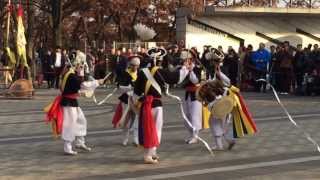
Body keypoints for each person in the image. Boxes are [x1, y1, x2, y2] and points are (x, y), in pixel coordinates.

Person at [133, 47, 190, 164]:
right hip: (157, 105)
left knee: (147, 128)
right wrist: (185, 68)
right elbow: (176, 78)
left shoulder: (142, 72)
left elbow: (136, 92)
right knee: (155, 129)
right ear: (160, 60)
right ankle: (149, 155)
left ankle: (152, 153)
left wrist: (137, 103)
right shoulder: (161, 72)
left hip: (145, 104)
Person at [45, 64, 105, 155]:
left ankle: (80, 142)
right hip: (69, 103)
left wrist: (82, 92)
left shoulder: (70, 75)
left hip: (72, 102)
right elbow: (83, 85)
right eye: (80, 66)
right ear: (74, 66)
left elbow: (76, 88)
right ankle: (67, 147)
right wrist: (97, 82)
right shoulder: (71, 75)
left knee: (81, 120)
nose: (82, 68)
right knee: (70, 124)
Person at [112, 56, 141, 146]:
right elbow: (119, 87)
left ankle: (136, 139)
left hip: (137, 100)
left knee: (137, 120)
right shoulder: (124, 74)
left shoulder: (141, 74)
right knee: (126, 121)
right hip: (126, 100)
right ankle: (125, 139)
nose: (134, 67)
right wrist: (130, 88)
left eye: (136, 66)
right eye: (132, 65)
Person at [181, 50, 203, 144]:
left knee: (195, 116)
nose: (185, 61)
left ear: (191, 59)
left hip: (196, 95)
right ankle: (191, 135)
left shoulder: (197, 68)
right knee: (187, 117)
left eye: (187, 59)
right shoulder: (185, 67)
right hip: (188, 94)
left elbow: (195, 81)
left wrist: (190, 70)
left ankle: (195, 136)